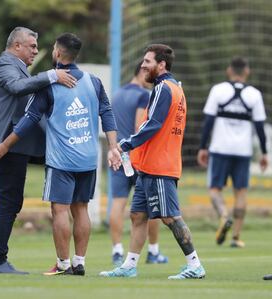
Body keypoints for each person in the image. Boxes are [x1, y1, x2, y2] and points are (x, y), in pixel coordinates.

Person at [0, 32, 121, 276]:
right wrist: (113, 147)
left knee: (59, 211)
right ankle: (80, 262)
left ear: (58, 54)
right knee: (81, 209)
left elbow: (29, 119)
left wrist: (5, 145)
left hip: (62, 160)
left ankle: (63, 263)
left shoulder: (50, 85)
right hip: (88, 158)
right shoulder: (94, 81)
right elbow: (107, 113)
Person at [99, 44, 206, 279]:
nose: (143, 65)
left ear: (161, 65)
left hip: (160, 165)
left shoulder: (163, 89)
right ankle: (129, 265)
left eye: (147, 61)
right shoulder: (173, 87)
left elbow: (152, 124)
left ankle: (195, 265)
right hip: (148, 165)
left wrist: (122, 146)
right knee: (138, 215)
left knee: (169, 216)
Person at [0, 27, 77, 275]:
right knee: (9, 202)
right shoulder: (4, 65)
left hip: (18, 146)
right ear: (17, 46)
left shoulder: (18, 67)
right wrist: (52, 75)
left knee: (11, 202)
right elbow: (17, 87)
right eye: (32, 46)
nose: (35, 50)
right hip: (3, 143)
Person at [197, 57, 268, 248]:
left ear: (229, 70)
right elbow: (260, 128)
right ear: (247, 71)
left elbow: (208, 122)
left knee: (214, 189)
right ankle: (236, 237)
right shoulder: (254, 94)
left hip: (220, 148)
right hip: (242, 151)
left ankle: (223, 216)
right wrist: (264, 153)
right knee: (241, 192)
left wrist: (203, 147)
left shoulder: (218, 90)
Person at [109, 61, 168, 266]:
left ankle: (117, 250)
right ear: (143, 73)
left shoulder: (117, 94)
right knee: (151, 205)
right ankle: (153, 251)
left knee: (118, 202)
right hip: (136, 156)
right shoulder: (144, 95)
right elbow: (139, 125)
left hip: (118, 154)